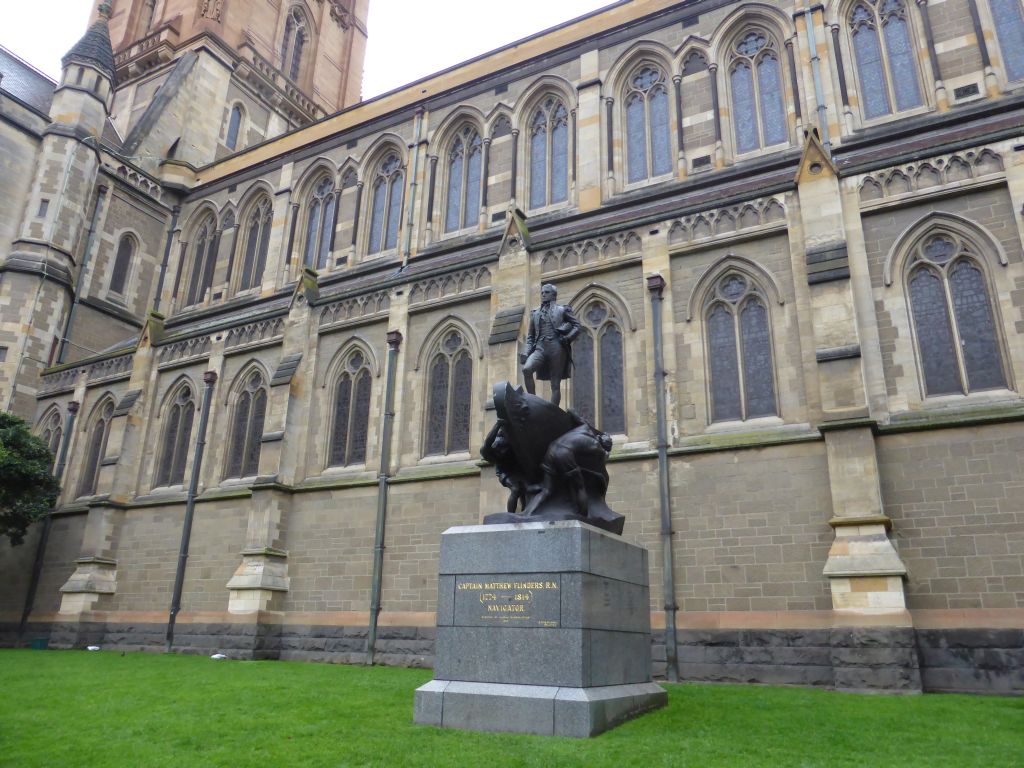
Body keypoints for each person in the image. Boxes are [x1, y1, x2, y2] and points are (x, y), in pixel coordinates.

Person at [521, 284, 581, 407]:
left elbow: (577, 326)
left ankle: (553, 411)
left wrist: (568, 337)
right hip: (540, 348)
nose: (543, 294)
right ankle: (533, 401)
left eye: (546, 292)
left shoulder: (562, 310)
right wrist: (527, 353)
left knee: (555, 384)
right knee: (527, 369)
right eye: (542, 292)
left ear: (554, 295)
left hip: (556, 347)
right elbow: (530, 337)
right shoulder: (535, 313)